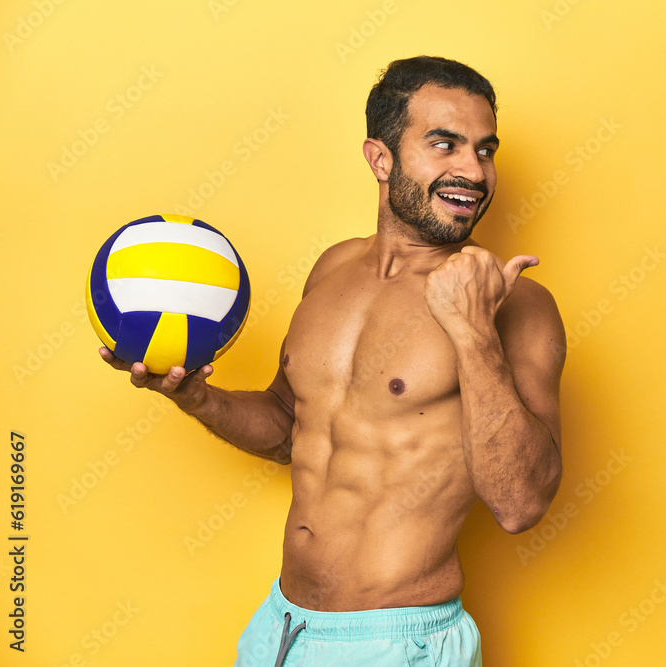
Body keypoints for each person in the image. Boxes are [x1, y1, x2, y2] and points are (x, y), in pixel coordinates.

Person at [99, 55, 565, 666]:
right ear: (380, 158)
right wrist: (196, 397)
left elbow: (521, 504)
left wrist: (471, 330)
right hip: (281, 629)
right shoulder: (333, 268)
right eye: (444, 144)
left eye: (484, 150)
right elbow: (288, 428)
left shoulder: (515, 304)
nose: (471, 170)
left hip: (399, 643)